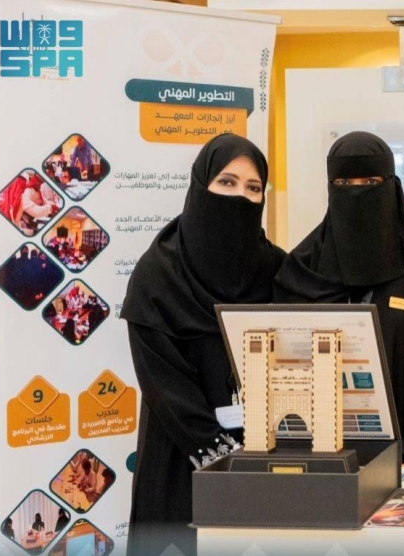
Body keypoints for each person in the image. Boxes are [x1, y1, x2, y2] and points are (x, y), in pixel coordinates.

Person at [121, 133, 285, 554]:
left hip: (262, 460)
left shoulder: (276, 269)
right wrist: (223, 457)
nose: (240, 196)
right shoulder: (158, 275)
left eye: (253, 188)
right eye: (226, 182)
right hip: (179, 461)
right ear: (201, 185)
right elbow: (163, 384)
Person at [274, 131, 404, 466]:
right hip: (317, 458)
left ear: (391, 186)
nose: (357, 193)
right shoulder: (301, 273)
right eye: (344, 183)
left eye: (371, 182)